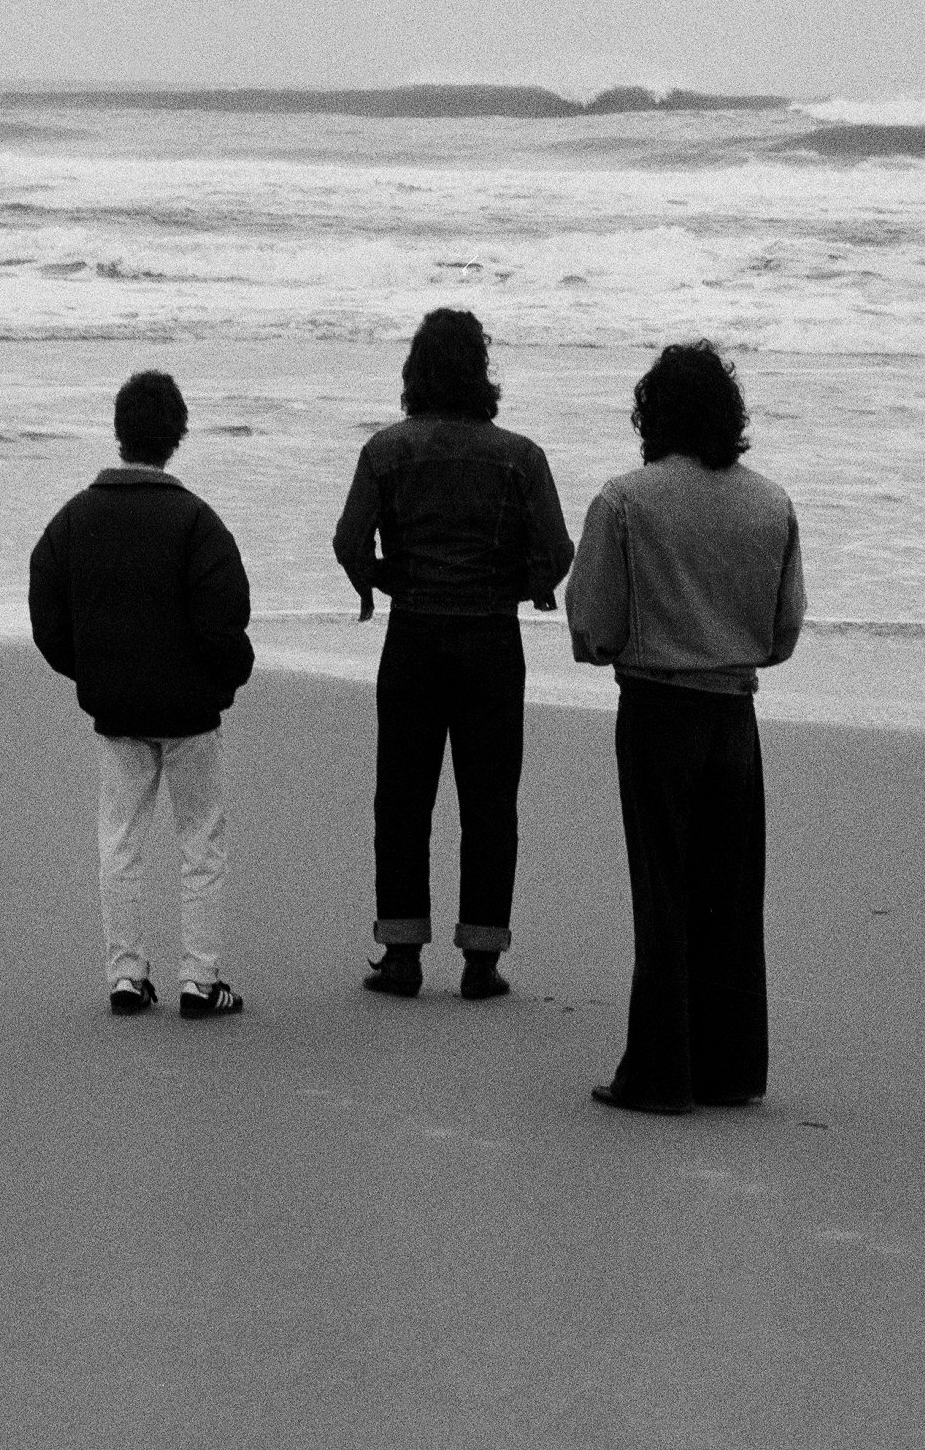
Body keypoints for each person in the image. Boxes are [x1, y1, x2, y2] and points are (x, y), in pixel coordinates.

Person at [565, 341, 804, 1113]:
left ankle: (660, 1072)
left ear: (651, 414)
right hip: (735, 712)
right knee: (732, 896)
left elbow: (592, 626)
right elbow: (784, 630)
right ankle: (731, 1069)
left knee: (662, 890)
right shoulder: (772, 503)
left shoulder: (624, 500)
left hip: (657, 706)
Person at [332, 308, 574, 999]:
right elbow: (558, 551)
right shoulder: (521, 456)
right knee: (490, 803)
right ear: (481, 373)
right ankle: (481, 961)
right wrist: (522, 588)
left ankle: (402, 955)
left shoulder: (385, 450)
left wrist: (381, 582)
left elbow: (349, 542)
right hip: (491, 643)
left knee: (403, 800)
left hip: (413, 639)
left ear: (414, 373)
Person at [29, 368, 254, 1019]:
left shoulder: (74, 519)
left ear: (120, 432)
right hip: (190, 713)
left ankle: (126, 974)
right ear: (177, 436)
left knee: (120, 840)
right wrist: (225, 680)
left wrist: (90, 672)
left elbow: (47, 614)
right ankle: (200, 977)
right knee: (200, 842)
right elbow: (224, 621)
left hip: (117, 709)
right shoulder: (196, 524)